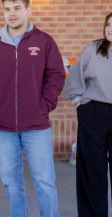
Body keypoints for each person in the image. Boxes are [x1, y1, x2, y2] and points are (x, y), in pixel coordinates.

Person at [0, 0, 65, 217]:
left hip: (37, 125)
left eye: (16, 8)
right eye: (7, 9)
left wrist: (45, 104)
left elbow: (56, 75)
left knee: (45, 181)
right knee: (10, 182)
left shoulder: (44, 42)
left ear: (28, 10)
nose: (11, 14)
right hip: (3, 126)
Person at [62, 12, 112, 217]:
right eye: (108, 24)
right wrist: (78, 104)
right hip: (94, 113)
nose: (110, 28)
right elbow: (75, 78)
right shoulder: (93, 49)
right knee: (92, 171)